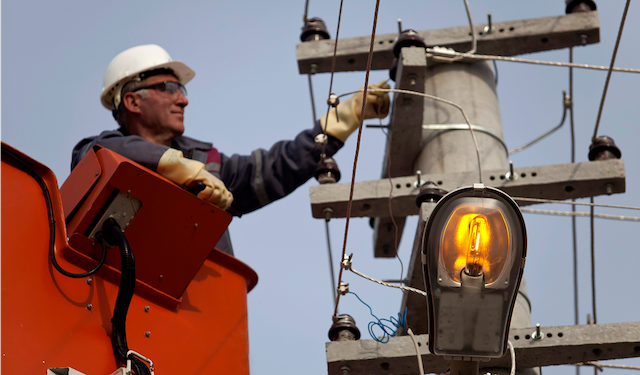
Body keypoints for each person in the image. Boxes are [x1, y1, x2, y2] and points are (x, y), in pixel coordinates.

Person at [71, 44, 390, 255]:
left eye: (181, 90)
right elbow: (95, 153)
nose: (183, 99)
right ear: (132, 101)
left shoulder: (207, 163)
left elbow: (275, 167)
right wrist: (172, 166)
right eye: (169, 88)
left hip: (204, 311)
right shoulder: (99, 153)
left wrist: (343, 119)